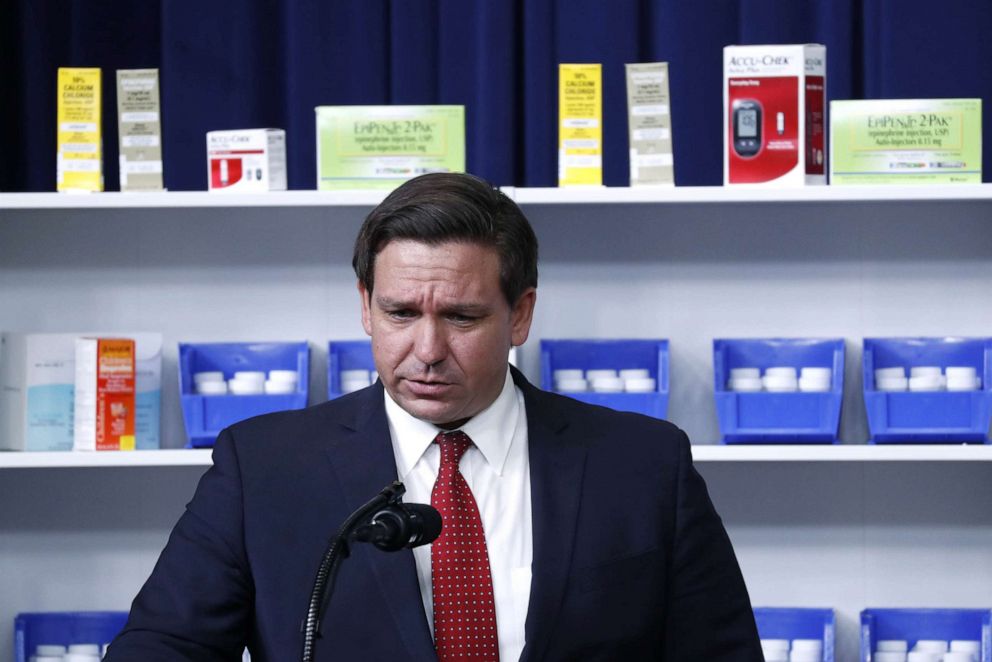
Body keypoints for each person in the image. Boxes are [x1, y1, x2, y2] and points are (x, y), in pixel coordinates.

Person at [106, 173, 762, 661]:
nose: (427, 350)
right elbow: (160, 649)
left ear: (521, 314)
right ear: (365, 306)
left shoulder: (644, 465)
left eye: (461, 317)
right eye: (399, 313)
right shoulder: (264, 467)